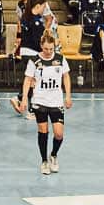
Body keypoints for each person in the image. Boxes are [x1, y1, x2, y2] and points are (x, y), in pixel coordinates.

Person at [18, 30, 72, 174]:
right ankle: (44, 161)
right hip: (40, 100)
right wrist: (24, 98)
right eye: (46, 49)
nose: (48, 52)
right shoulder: (34, 61)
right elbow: (27, 80)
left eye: (51, 49)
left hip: (56, 101)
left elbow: (66, 77)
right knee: (43, 131)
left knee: (59, 133)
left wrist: (68, 96)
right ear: (41, 46)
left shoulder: (60, 59)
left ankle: (53, 155)